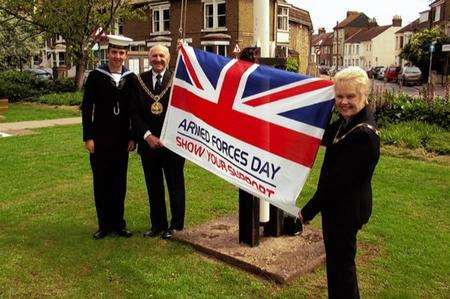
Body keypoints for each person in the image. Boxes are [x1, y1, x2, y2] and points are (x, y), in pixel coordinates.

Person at [299, 67, 380, 298]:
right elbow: (322, 132)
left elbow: (335, 185)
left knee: (342, 269)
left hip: (346, 209)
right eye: (339, 96)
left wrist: (307, 212)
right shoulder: (348, 122)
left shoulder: (363, 135)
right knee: (337, 267)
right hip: (338, 208)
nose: (343, 102)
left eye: (350, 96)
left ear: (364, 96)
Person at [81, 35, 136, 240]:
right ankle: (104, 225)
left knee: (119, 182)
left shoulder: (130, 78)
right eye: (114, 52)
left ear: (126, 55)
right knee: (102, 182)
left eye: (121, 53)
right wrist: (88, 137)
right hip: (100, 138)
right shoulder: (96, 76)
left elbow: (133, 110)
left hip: (122, 139)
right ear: (108, 53)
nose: (117, 56)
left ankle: (119, 224)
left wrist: (133, 137)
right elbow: (87, 108)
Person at [131, 44, 185, 240]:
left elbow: (183, 111)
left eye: (162, 56)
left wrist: (168, 137)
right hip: (149, 145)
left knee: (175, 185)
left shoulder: (178, 80)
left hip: (172, 145)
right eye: (154, 56)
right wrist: (147, 136)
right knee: (153, 186)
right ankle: (158, 225)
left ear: (168, 59)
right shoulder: (139, 81)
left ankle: (176, 226)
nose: (158, 59)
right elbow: (134, 113)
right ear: (149, 57)